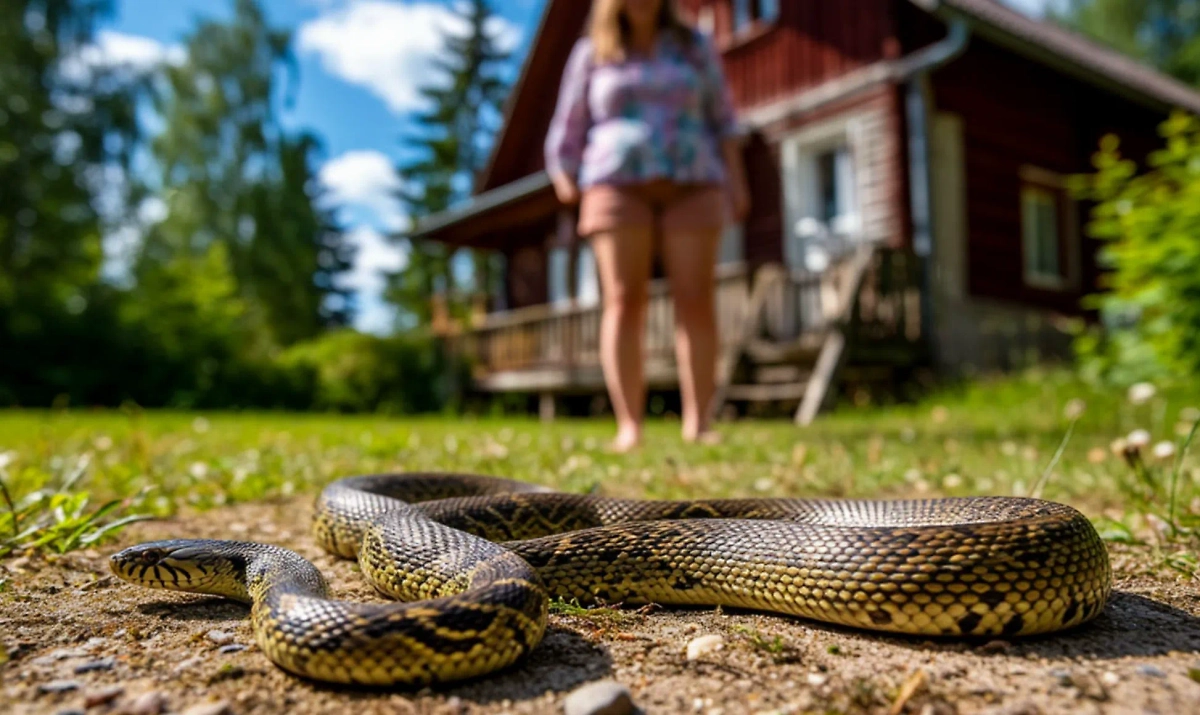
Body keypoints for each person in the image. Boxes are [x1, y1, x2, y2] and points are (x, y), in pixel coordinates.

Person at [544, 0, 749, 452]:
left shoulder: (694, 45)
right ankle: (629, 426)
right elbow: (567, 122)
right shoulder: (591, 52)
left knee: (696, 298)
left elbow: (723, 116)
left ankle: (700, 422)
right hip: (615, 179)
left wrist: (737, 181)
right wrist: (564, 173)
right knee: (622, 300)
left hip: (694, 177)